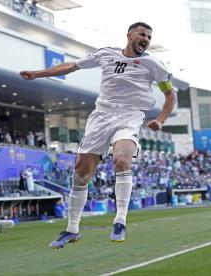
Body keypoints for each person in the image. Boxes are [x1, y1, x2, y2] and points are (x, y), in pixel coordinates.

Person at [20, 22, 176, 248]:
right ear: (129, 35)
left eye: (149, 37)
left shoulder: (153, 64)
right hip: (101, 116)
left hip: (130, 116)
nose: (146, 39)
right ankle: (72, 229)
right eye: (142, 34)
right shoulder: (106, 54)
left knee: (121, 160)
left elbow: (170, 95)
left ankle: (120, 220)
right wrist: (37, 74)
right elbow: (71, 66)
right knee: (81, 174)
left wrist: (160, 120)